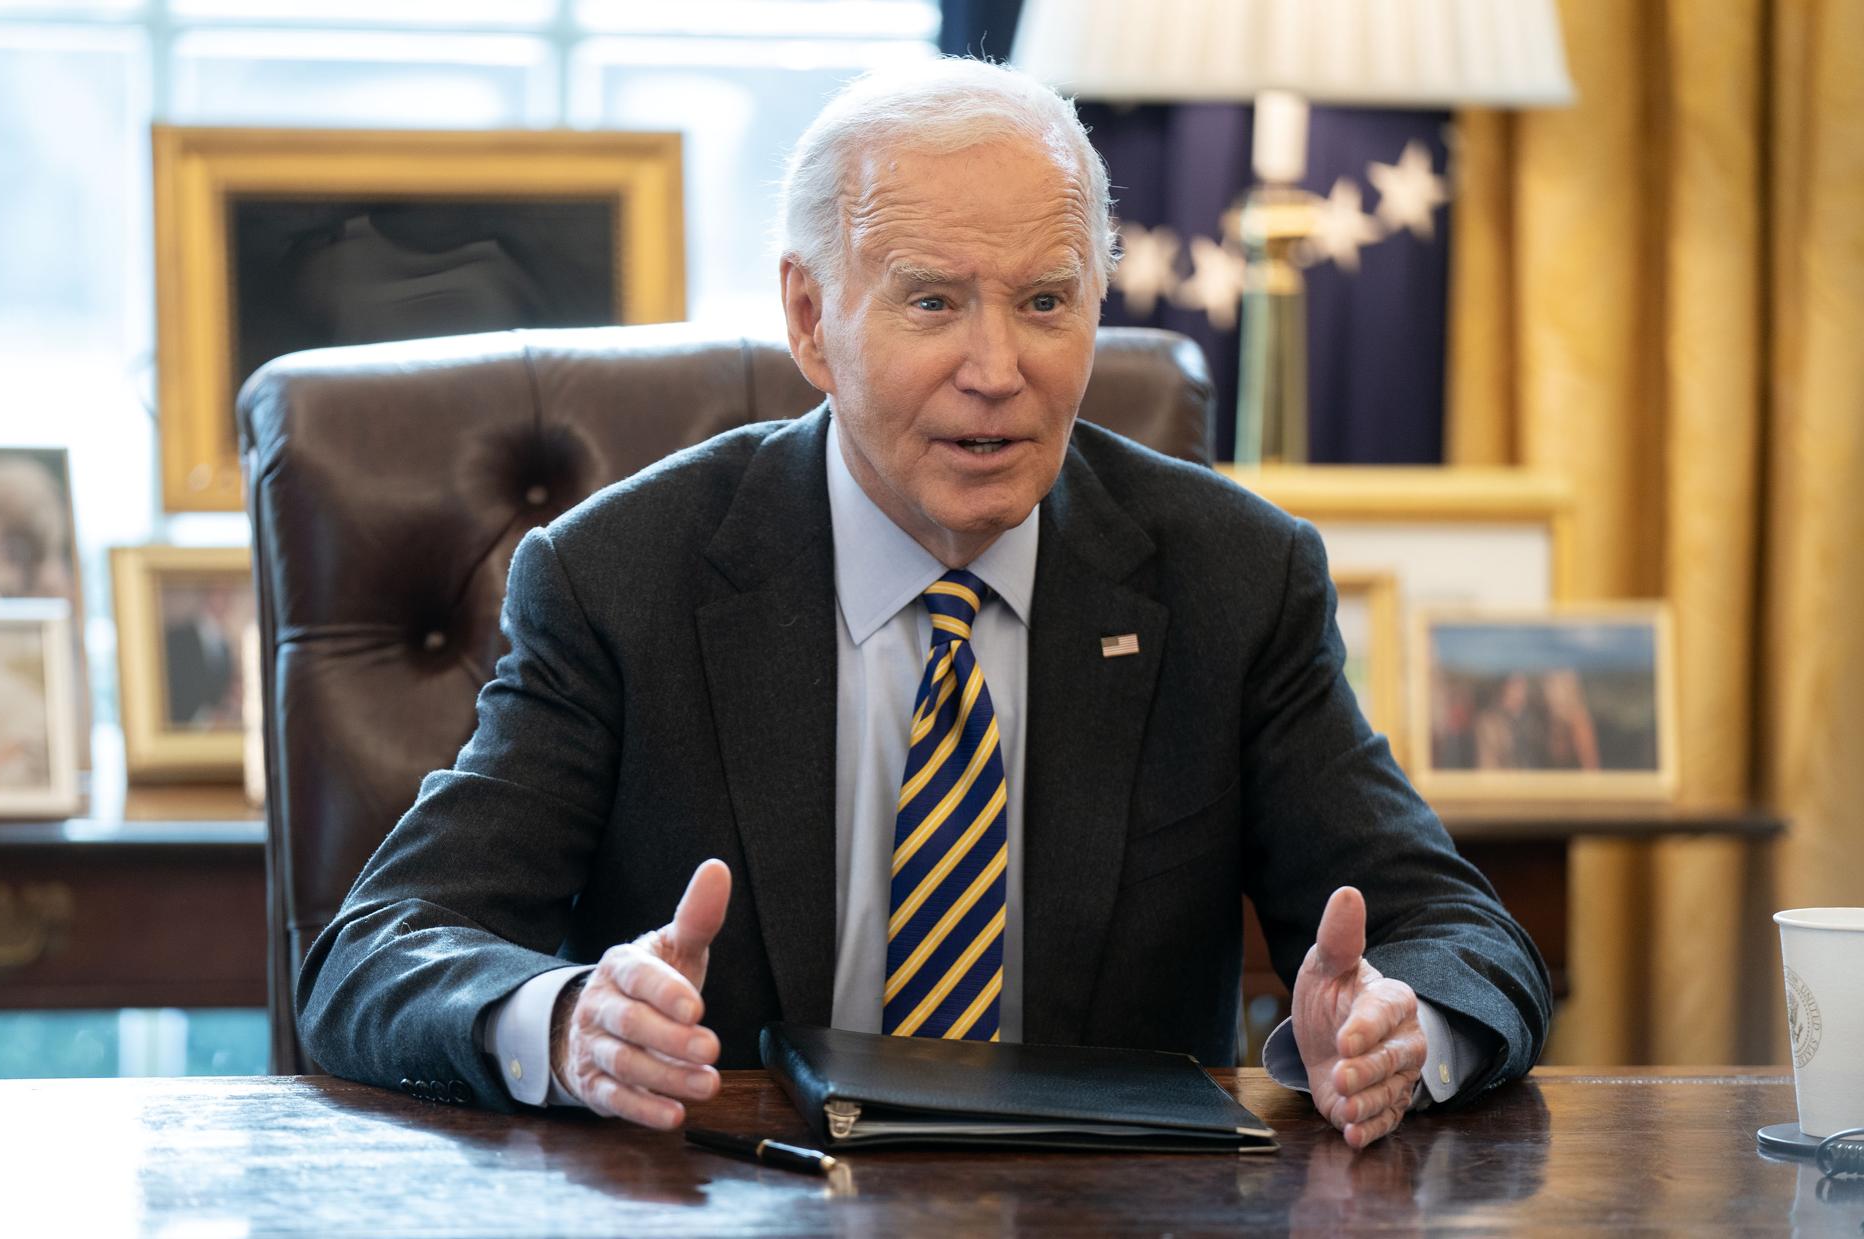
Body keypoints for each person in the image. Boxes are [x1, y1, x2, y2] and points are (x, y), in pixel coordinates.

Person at [297, 59, 1550, 1151]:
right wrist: (573, 1023)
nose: (997, 371)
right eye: (933, 302)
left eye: (1046, 301)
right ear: (812, 318)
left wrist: (1402, 1028)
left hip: (1109, 1213)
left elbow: (1455, 932)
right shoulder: (620, 578)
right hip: (737, 1199)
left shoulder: (1232, 577)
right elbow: (379, 952)